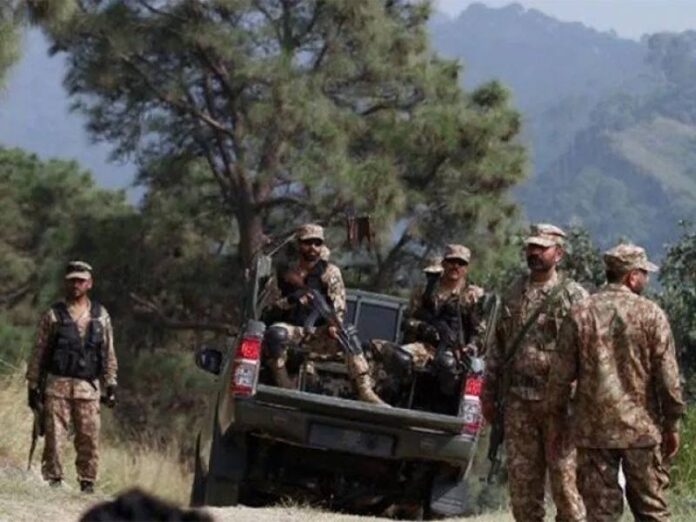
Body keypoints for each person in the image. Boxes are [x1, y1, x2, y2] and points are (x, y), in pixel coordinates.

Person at [547, 243, 685, 522]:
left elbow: (560, 377)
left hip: (594, 433)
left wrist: (557, 420)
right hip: (641, 431)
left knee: (601, 514)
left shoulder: (581, 312)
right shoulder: (651, 314)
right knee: (652, 511)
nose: (646, 279)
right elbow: (668, 378)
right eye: (644, 273)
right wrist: (672, 423)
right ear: (631, 276)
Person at [480, 224, 587, 522]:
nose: (534, 252)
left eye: (542, 248)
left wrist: (582, 400)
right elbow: (498, 347)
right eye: (531, 247)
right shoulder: (514, 292)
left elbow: (589, 352)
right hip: (518, 403)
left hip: (558, 405)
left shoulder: (574, 296)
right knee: (523, 488)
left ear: (559, 253)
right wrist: (488, 393)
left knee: (565, 486)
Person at [261, 223, 384, 404]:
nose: (313, 247)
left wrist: (332, 325)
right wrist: (292, 300)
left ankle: (365, 390)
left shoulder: (329, 273)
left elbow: (338, 305)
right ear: (299, 244)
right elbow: (269, 309)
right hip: (292, 331)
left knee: (348, 334)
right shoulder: (285, 274)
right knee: (275, 334)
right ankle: (284, 385)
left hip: (319, 334)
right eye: (308, 242)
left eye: (317, 243)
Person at [26, 261, 118, 493]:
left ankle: (87, 482)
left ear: (89, 283)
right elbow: (38, 351)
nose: (76, 284)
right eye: (72, 280)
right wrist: (33, 385)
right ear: (66, 283)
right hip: (57, 386)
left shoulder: (100, 316)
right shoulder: (53, 316)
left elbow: (108, 353)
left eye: (81, 280)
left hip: (88, 389)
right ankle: (54, 481)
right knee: (54, 438)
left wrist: (111, 384)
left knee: (89, 438)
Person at [371, 244, 485, 394]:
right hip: (424, 346)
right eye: (452, 261)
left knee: (448, 366)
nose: (456, 266)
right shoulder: (425, 290)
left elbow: (480, 332)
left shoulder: (471, 296)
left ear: (466, 268)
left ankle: (442, 403)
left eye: (461, 263)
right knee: (397, 358)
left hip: (454, 351)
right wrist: (423, 328)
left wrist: (470, 347)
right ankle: (400, 394)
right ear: (444, 263)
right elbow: (407, 321)